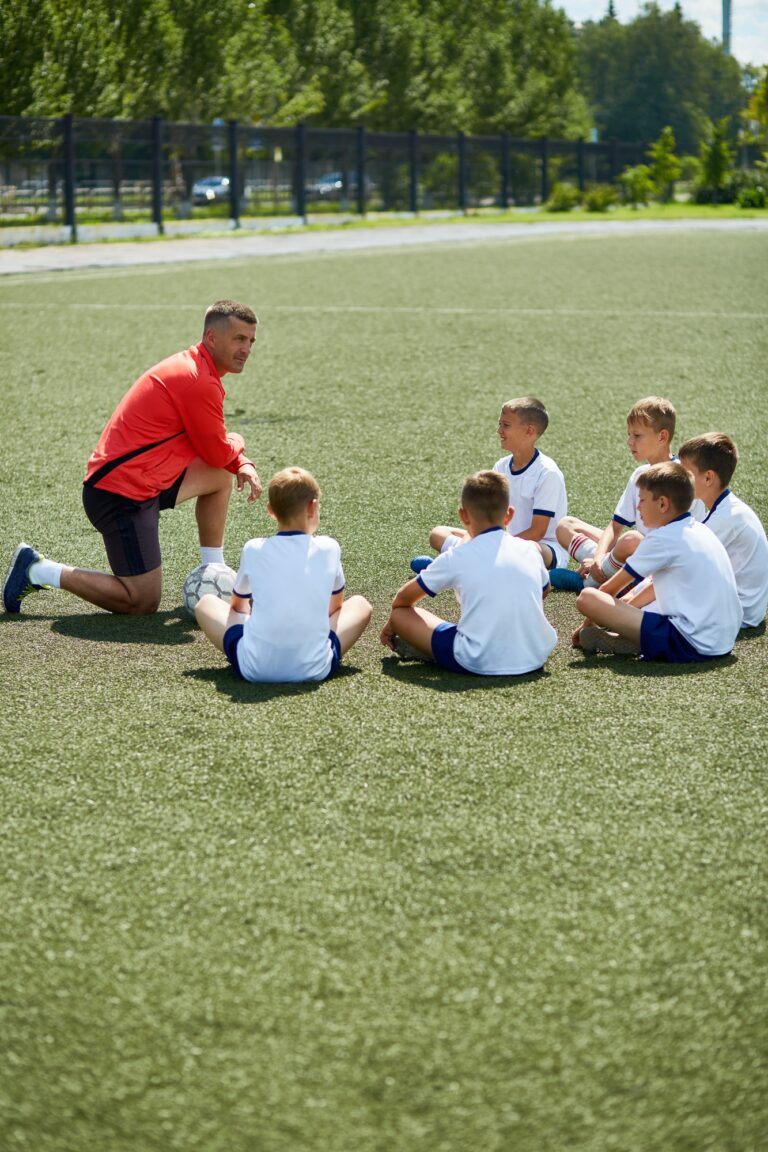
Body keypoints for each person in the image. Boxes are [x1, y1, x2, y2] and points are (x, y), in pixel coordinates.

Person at [3, 300, 262, 617]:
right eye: (239, 339)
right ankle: (39, 569)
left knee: (220, 473)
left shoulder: (198, 368)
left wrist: (236, 461)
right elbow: (218, 450)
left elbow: (216, 455)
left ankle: (214, 569)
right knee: (141, 601)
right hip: (118, 494)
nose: (246, 348)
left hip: (147, 478)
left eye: (250, 341)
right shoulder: (198, 380)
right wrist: (240, 445)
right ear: (211, 337)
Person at [196, 467, 372, 683]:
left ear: (270, 511)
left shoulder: (253, 548)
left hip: (254, 669)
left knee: (205, 603)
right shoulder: (330, 548)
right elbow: (335, 608)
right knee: (361, 604)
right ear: (313, 506)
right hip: (316, 669)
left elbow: (237, 607)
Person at [382, 470, 557, 676]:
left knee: (400, 614)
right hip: (535, 656)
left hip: (476, 659)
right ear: (509, 514)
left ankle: (428, 650)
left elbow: (403, 599)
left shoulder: (456, 556)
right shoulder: (531, 550)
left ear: (463, 515)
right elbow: (544, 591)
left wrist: (393, 624)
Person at [572, 461, 741, 660]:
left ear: (662, 503)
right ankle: (632, 639)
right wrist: (628, 605)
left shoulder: (662, 539)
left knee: (587, 598)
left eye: (642, 500)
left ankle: (638, 640)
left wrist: (588, 624)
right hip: (725, 639)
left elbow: (608, 590)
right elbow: (655, 585)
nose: (637, 506)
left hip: (691, 642)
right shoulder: (699, 529)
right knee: (630, 602)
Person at [556, 395, 703, 589]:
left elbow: (681, 543)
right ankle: (608, 569)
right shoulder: (640, 474)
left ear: (662, 436)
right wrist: (599, 558)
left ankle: (587, 584)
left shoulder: (682, 479)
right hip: (633, 554)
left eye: (637, 435)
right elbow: (615, 527)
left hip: (664, 562)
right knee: (566, 525)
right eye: (629, 435)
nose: (629, 442)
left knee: (631, 540)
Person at [412, 397, 568, 575]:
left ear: (529, 430)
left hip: (545, 549)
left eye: (506, 425)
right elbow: (490, 517)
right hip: (502, 540)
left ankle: (459, 563)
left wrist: (487, 546)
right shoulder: (501, 466)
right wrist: (481, 541)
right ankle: (474, 561)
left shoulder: (547, 473)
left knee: (532, 549)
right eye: (500, 424)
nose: (498, 430)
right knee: (439, 533)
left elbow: (537, 532)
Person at [678, 433, 768, 628]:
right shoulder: (727, 509)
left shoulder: (727, 517)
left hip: (739, 613)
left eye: (686, 474)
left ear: (708, 477)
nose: (681, 481)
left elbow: (682, 566)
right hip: (745, 608)